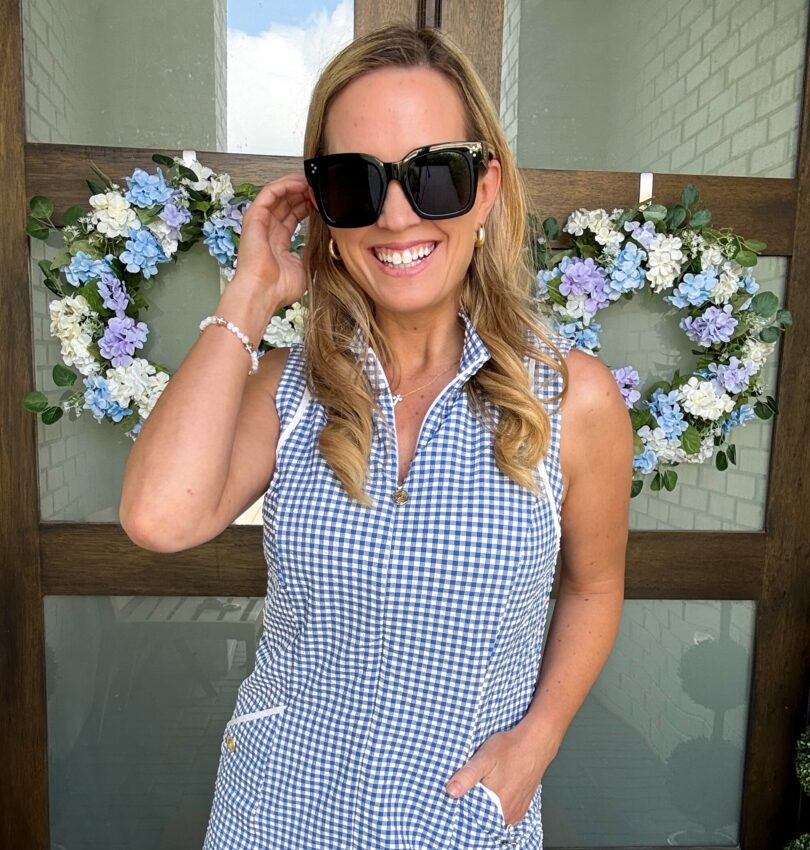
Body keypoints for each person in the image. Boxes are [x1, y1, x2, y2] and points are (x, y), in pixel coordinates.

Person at [119, 23, 632, 850]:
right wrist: (252, 292)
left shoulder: (572, 400)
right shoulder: (287, 388)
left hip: (461, 823)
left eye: (435, 175)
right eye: (354, 182)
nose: (395, 217)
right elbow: (158, 518)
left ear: (486, 188)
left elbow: (593, 587)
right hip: (276, 814)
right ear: (323, 204)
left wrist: (538, 742)